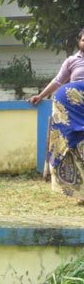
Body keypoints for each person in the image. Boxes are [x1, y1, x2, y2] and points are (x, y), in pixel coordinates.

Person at [29, 28, 84, 201]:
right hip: (72, 113)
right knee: (72, 145)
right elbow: (58, 81)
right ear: (79, 41)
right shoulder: (71, 61)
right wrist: (41, 96)